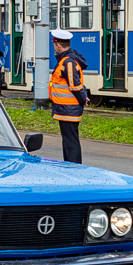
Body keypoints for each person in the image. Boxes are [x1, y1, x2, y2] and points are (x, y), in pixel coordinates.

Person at [48, 29, 88, 164]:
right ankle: (70, 165)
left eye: (54, 45)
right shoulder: (67, 60)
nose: (54, 48)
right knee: (69, 140)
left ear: (58, 45)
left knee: (70, 141)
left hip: (68, 108)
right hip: (66, 108)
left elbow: (75, 85)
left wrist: (83, 99)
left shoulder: (68, 62)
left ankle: (74, 167)